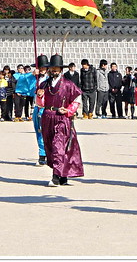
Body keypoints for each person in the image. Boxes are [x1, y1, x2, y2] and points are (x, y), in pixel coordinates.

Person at [36, 54, 83, 187]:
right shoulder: (44, 84)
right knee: (50, 146)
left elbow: (77, 99)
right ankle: (62, 175)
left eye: (57, 69)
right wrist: (40, 96)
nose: (54, 71)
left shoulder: (68, 84)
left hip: (62, 117)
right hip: (47, 116)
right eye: (52, 69)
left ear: (61, 70)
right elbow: (40, 103)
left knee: (59, 145)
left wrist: (69, 110)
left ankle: (56, 176)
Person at [31, 55, 50, 166]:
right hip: (37, 107)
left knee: (47, 133)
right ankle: (42, 155)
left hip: (46, 109)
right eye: (40, 67)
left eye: (43, 68)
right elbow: (24, 87)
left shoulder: (50, 79)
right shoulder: (35, 78)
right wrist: (32, 75)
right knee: (39, 132)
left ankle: (49, 154)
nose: (42, 70)